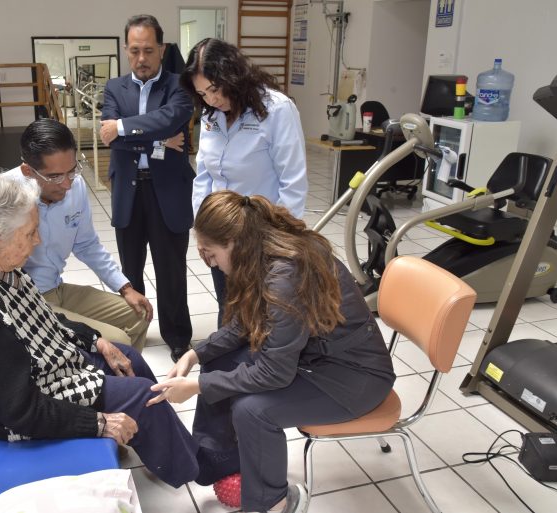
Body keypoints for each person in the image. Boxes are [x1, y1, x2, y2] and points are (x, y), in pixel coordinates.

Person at [0, 173, 199, 488]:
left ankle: (162, 445)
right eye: (31, 233)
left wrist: (96, 340)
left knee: (129, 359)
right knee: (141, 395)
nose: (38, 241)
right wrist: (97, 423)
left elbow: (43, 317)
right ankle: (197, 471)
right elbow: (19, 410)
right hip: (1, 410)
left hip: (28, 371)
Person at [147, 191, 396, 513]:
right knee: (218, 360)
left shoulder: (285, 275)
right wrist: (194, 355)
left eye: (210, 254)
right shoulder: (263, 252)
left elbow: (274, 372)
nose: (211, 264)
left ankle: (273, 502)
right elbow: (242, 326)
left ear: (234, 242)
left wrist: (196, 387)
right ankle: (221, 460)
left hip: (354, 379)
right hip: (318, 361)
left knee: (253, 410)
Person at [0, 119, 153, 351]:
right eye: (55, 176)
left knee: (138, 315)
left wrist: (124, 287)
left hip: (56, 288)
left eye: (72, 171)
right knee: (117, 340)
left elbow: (87, 244)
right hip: (21, 300)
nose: (67, 184)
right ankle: (94, 379)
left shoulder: (75, 186)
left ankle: (122, 378)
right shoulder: (0, 193)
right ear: (28, 171)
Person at [180, 38, 308, 327]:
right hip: (220, 233)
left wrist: (280, 242)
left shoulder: (277, 110)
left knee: (263, 317)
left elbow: (293, 183)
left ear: (233, 76)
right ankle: (228, 370)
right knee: (228, 311)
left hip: (262, 236)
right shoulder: (212, 113)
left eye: (214, 89)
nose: (210, 100)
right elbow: (204, 174)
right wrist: (203, 231)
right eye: (202, 93)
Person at [100, 14, 195, 362]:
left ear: (162, 49)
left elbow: (170, 119)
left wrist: (123, 127)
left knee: (171, 270)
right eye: (135, 50)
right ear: (126, 50)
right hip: (128, 191)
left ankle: (178, 338)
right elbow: (110, 139)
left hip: (167, 191)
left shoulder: (178, 85)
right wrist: (157, 144)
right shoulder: (114, 88)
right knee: (130, 270)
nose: (142, 59)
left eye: (149, 51)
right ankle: (133, 333)